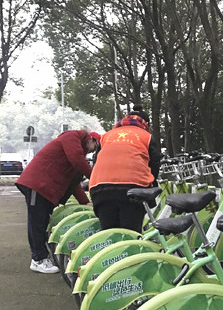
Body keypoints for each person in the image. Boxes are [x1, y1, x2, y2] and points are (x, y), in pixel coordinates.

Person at [16, 130, 100, 273]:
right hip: (37, 183)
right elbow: (77, 161)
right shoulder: (72, 137)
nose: (93, 151)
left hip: (45, 188)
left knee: (42, 222)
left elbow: (74, 183)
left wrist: (85, 202)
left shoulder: (77, 153)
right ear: (91, 139)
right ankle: (38, 259)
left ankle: (42, 256)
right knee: (37, 222)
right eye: (95, 146)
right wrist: (98, 178)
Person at [89, 105, 161, 233]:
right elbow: (154, 163)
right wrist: (152, 184)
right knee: (131, 234)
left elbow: (96, 162)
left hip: (100, 188)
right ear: (146, 123)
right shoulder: (146, 136)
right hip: (133, 188)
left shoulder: (106, 136)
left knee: (110, 235)